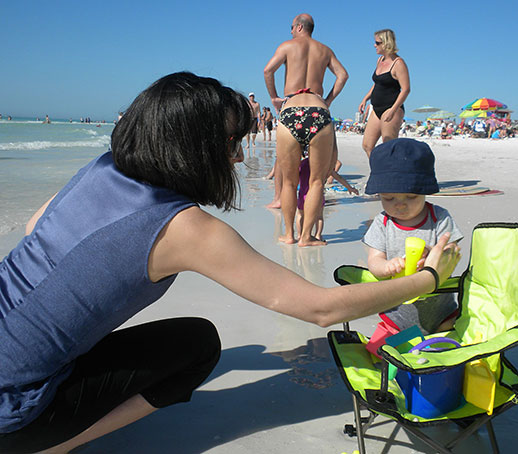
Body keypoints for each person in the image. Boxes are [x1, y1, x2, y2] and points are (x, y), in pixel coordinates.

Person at [0, 72, 461, 454]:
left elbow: (34, 228)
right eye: (231, 143)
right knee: (198, 345)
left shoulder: (101, 168)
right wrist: (427, 278)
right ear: (192, 146)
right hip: (12, 408)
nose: (239, 155)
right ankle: (49, 446)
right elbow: (323, 309)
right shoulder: (183, 227)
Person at [263, 13, 349, 246]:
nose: (290, 31)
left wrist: (273, 97)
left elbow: (268, 71)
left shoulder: (288, 46)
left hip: (291, 110)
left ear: (299, 27)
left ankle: (289, 234)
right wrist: (327, 100)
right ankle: (307, 237)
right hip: (319, 111)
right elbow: (343, 75)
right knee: (316, 182)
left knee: (289, 182)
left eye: (291, 27)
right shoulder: (325, 50)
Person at [362, 139, 463, 335]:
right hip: (396, 311)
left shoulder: (439, 217)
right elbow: (374, 261)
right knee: (383, 346)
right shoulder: (382, 223)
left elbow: (452, 252)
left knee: (451, 334)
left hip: (442, 310)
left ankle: (438, 353)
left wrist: (433, 255)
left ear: (425, 191)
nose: (400, 205)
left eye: (411, 197)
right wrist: (386, 267)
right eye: (389, 198)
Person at [358, 29, 410, 157]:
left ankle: (392, 175)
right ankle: (378, 173)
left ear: (386, 43)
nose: (374, 45)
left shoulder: (398, 63)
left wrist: (393, 110)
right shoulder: (380, 60)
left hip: (391, 108)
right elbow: (377, 83)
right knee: (367, 145)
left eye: (377, 42)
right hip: (377, 108)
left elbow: (406, 89)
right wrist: (365, 98)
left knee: (389, 147)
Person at [296, 157, 358, 241]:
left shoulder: (301, 164)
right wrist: (350, 188)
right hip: (317, 195)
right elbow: (338, 177)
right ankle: (318, 235)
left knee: (300, 215)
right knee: (319, 217)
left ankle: (300, 235)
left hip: (303, 194)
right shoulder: (322, 164)